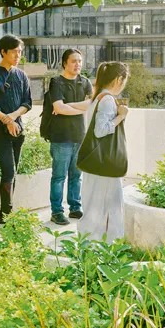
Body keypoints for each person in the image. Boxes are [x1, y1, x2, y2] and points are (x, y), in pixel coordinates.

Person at [0, 34, 32, 224]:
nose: (18, 55)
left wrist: (14, 117)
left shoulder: (21, 75)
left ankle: (8, 210)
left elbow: (27, 102)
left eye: (20, 52)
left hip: (17, 128)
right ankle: (6, 212)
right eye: (14, 52)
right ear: (3, 51)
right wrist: (7, 121)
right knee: (8, 170)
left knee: (13, 171)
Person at [76, 61, 130, 242]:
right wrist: (121, 116)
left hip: (96, 162)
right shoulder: (107, 100)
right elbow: (101, 130)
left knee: (93, 205)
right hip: (106, 164)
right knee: (111, 206)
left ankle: (89, 246)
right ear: (118, 79)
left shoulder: (98, 97)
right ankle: (109, 247)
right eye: (124, 80)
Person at [48, 49, 93, 225]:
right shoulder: (56, 82)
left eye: (80, 61)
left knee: (76, 175)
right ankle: (57, 211)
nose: (78, 65)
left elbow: (90, 104)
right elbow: (58, 108)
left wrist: (69, 106)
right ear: (65, 63)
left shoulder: (85, 82)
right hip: (61, 137)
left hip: (79, 136)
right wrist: (73, 108)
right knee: (59, 176)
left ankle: (75, 207)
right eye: (74, 61)